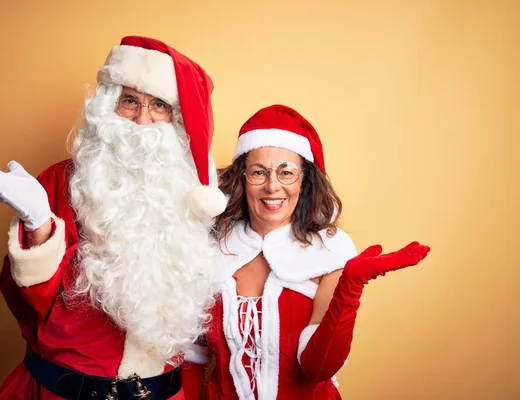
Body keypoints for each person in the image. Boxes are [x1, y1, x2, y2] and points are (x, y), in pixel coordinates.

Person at [0, 35, 228, 400]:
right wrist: (39, 227)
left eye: (159, 106)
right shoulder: (60, 181)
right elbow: (24, 307)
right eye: (129, 101)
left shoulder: (195, 199)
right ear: (108, 106)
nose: (141, 120)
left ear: (177, 121)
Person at [181, 104, 431, 400]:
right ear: (242, 178)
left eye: (286, 172)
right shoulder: (211, 247)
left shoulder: (330, 251)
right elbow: (194, 359)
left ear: (304, 180)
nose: (272, 186)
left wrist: (349, 288)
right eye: (258, 172)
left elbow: (318, 367)